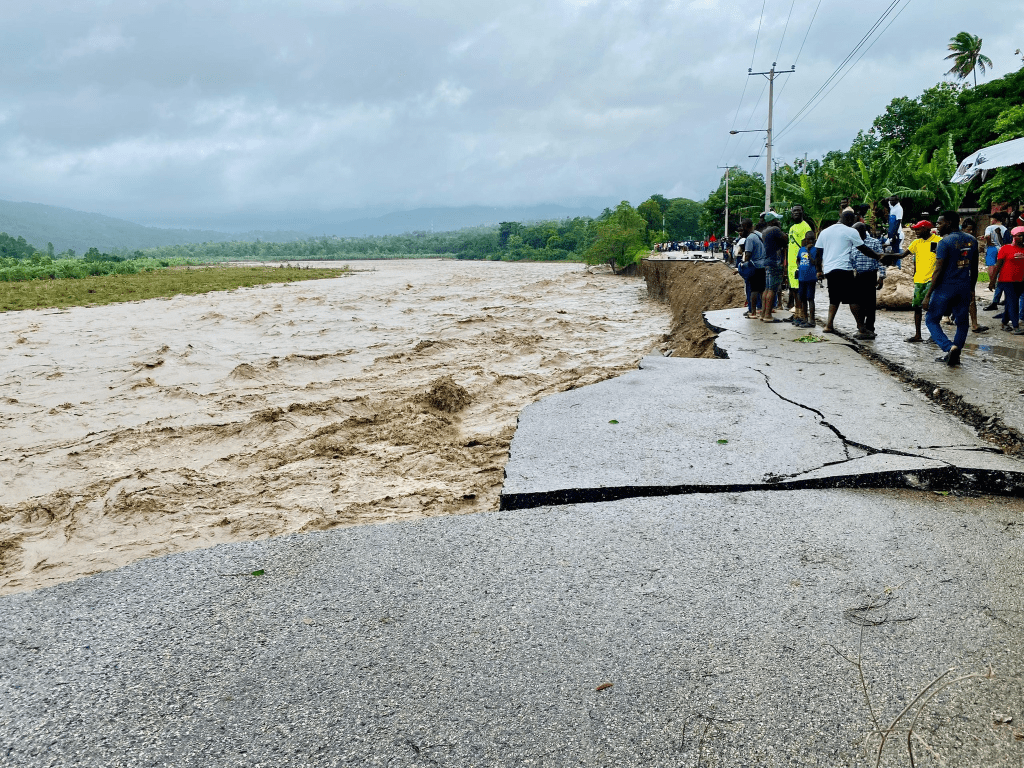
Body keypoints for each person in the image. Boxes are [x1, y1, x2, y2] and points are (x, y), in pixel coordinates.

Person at [813, 210, 885, 334]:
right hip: (844, 269)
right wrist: (878, 256)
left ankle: (828, 325)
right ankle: (861, 327)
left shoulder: (824, 232)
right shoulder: (850, 231)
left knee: (834, 299)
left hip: (830, 270)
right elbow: (863, 249)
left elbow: (818, 254)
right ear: (851, 220)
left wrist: (819, 271)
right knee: (853, 299)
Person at [922, 211, 979, 366]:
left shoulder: (944, 242)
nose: (937, 227)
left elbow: (938, 270)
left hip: (945, 288)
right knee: (962, 323)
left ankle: (949, 347)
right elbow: (974, 269)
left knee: (931, 319)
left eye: (939, 223)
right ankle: (956, 353)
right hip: (964, 286)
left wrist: (928, 294)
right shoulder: (972, 240)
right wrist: (972, 290)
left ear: (948, 223)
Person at [899, 221, 941, 343]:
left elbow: (938, 259)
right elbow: (904, 256)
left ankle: (934, 334)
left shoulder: (936, 241)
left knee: (931, 307)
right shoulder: (917, 243)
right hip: (919, 280)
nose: (915, 232)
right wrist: (887, 255)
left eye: (918, 230)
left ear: (926, 229)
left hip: (931, 279)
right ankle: (918, 335)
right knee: (917, 307)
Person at [851, 222, 885, 339]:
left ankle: (870, 328)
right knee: (858, 302)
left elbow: (881, 259)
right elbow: (851, 260)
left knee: (870, 303)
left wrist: (881, 276)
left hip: (870, 275)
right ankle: (861, 327)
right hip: (858, 275)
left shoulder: (874, 242)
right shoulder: (853, 243)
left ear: (861, 231)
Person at [988, 226, 1024, 333]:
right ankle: (1016, 326)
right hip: (1007, 280)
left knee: (1010, 303)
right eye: (1020, 236)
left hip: (1020, 280)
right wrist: (992, 281)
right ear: (1014, 236)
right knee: (1013, 303)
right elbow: (998, 266)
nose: (1022, 238)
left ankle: (1004, 323)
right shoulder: (1005, 249)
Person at [787, 205, 813, 321]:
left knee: (799, 291)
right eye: (794, 211)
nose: (796, 212)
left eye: (798, 210)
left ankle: (802, 315)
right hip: (791, 264)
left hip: (800, 264)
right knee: (793, 289)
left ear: (802, 212)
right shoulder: (792, 227)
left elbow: (806, 246)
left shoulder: (805, 227)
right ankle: (796, 314)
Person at [761, 212, 788, 322]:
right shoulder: (775, 230)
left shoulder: (765, 231)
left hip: (767, 261)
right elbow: (786, 240)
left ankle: (763, 313)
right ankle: (768, 315)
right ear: (772, 221)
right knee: (772, 289)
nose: (779, 222)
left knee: (767, 289)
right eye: (777, 220)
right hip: (774, 262)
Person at [740, 218, 766, 319]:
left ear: (746, 227)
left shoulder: (750, 238)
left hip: (755, 266)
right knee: (762, 290)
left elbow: (748, 254)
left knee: (753, 290)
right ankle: (763, 311)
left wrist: (743, 265)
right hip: (763, 266)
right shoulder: (759, 234)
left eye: (743, 227)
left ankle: (753, 312)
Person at [983, 211, 1008, 310]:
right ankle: (1002, 295)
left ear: (995, 219)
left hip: (992, 249)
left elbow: (988, 236)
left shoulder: (989, 227)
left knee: (991, 266)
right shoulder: (1005, 228)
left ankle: (992, 282)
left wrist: (989, 243)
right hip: (1002, 248)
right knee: (1001, 271)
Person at [795, 231, 818, 329]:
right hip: (802, 277)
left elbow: (815, 262)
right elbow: (798, 260)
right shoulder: (801, 249)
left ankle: (812, 321)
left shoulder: (816, 250)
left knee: (810, 298)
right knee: (802, 298)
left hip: (811, 278)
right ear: (805, 239)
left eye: (812, 239)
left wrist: (809, 252)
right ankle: (804, 319)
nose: (810, 241)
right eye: (809, 239)